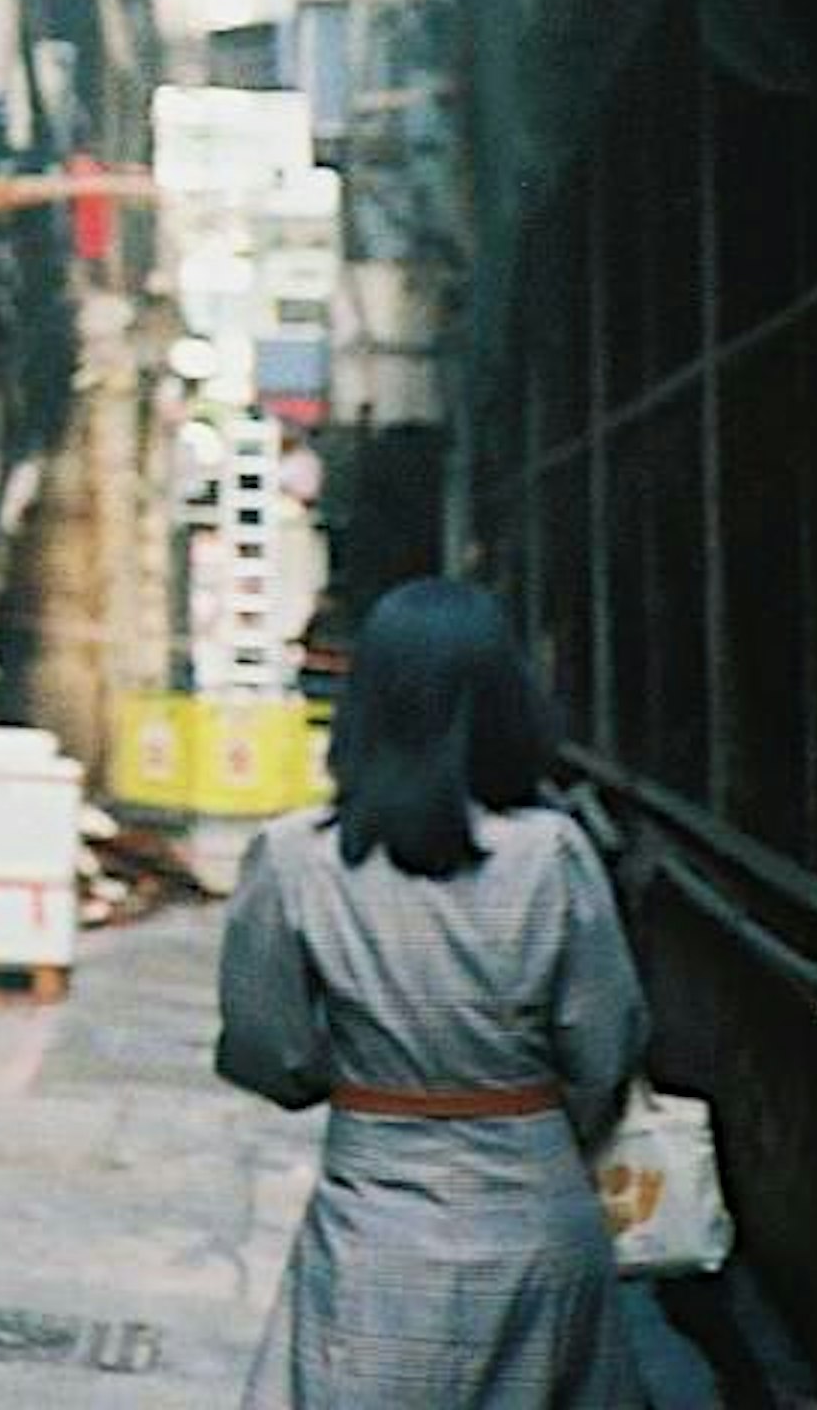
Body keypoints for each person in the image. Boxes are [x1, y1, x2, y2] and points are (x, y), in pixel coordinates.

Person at [215, 576, 648, 1408]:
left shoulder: (295, 859)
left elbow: (269, 1055)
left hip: (374, 1231)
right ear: (503, 704)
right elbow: (605, 1048)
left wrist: (359, 1073)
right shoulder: (553, 855)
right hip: (536, 1223)